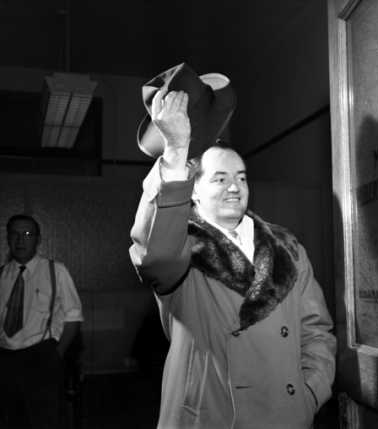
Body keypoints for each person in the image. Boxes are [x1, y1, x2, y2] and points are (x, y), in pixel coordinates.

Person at [129, 72, 336, 428]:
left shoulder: (288, 249)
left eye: (241, 177)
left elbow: (316, 330)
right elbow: (154, 255)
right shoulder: (181, 249)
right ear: (192, 190)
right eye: (220, 179)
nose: (235, 187)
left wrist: (310, 394)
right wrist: (177, 151)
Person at [0, 214, 84, 428]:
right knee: (11, 418)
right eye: (15, 234)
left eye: (27, 234)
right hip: (5, 358)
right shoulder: (2, 275)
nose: (20, 240)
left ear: (38, 239)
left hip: (41, 356)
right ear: (7, 238)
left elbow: (73, 317)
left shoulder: (56, 270)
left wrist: (56, 355)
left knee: (45, 419)